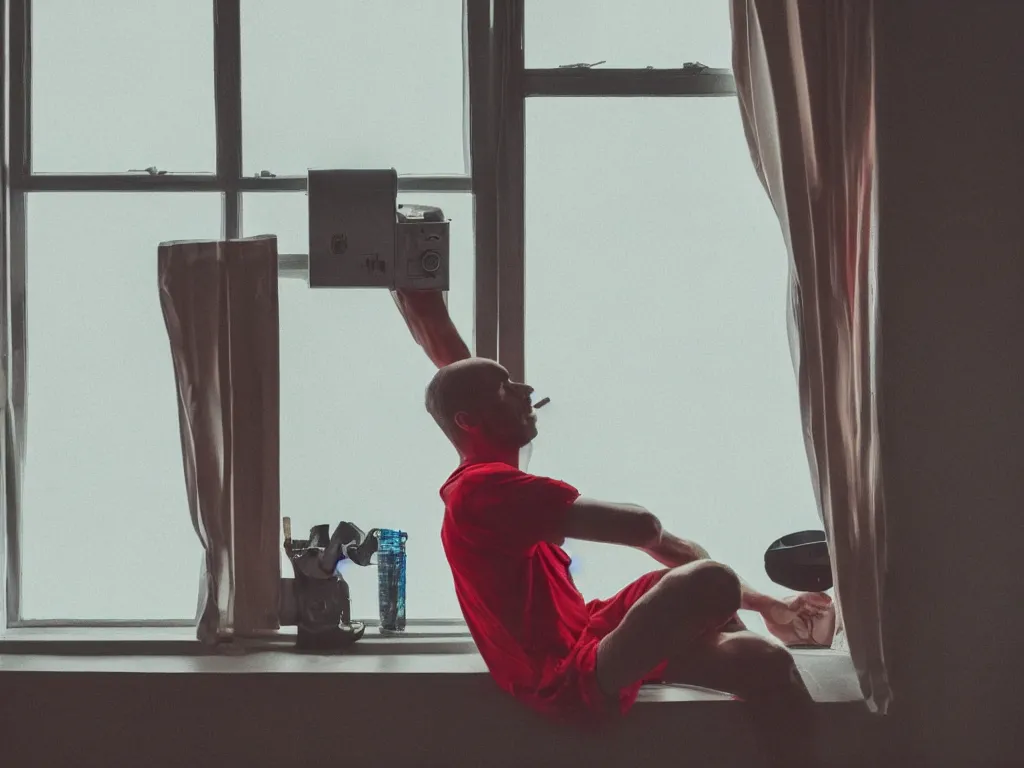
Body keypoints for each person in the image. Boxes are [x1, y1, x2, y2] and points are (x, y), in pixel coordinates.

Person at [426, 356, 835, 726]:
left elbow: (662, 542)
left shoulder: (489, 490)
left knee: (769, 661)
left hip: (588, 631)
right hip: (565, 674)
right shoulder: (480, 489)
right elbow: (643, 527)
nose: (526, 391)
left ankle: (774, 632)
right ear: (468, 420)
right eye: (504, 388)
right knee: (713, 581)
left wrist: (769, 604)